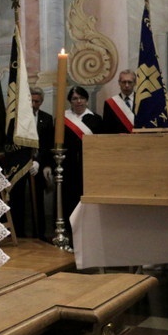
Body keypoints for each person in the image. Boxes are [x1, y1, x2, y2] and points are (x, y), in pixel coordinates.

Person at [8, 87, 55, 240]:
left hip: (37, 165)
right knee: (18, 198)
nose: (33, 104)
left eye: (37, 101)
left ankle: (39, 234)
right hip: (20, 163)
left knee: (38, 200)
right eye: (31, 101)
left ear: (41, 102)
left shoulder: (47, 119)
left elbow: (48, 145)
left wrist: (38, 162)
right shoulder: (16, 120)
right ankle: (19, 233)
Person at [63, 86, 103, 247]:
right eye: (74, 98)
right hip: (68, 168)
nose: (78, 101)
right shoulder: (63, 119)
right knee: (69, 202)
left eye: (81, 98)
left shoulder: (96, 119)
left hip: (89, 168)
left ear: (86, 100)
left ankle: (90, 237)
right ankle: (70, 235)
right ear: (70, 101)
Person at [102, 69, 136, 133]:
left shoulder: (143, 102)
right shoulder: (110, 103)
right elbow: (106, 129)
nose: (126, 85)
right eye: (124, 82)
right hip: (117, 141)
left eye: (129, 82)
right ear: (119, 83)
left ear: (135, 83)